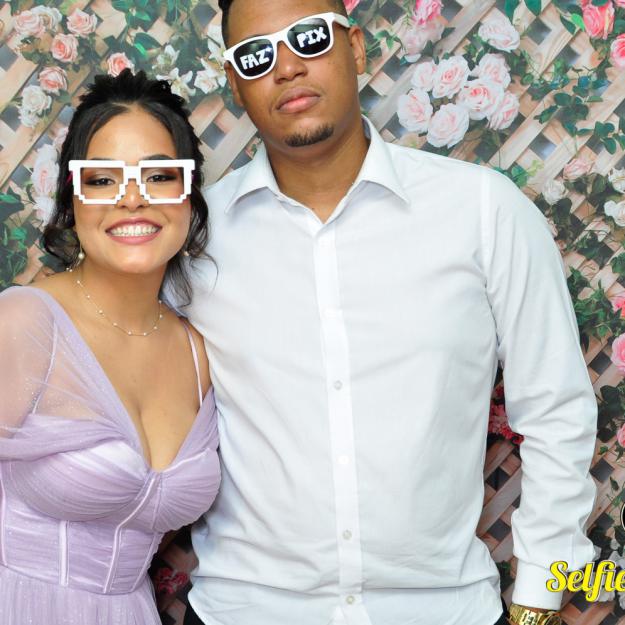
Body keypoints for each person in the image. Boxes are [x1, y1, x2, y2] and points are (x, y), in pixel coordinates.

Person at [182, 1, 597, 625]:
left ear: (355, 48)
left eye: (309, 37)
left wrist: (537, 603)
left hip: (443, 611)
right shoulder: (195, 241)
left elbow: (557, 408)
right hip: (244, 611)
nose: (286, 67)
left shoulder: (482, 211)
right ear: (236, 85)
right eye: (256, 55)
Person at [0, 69, 220, 625]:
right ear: (72, 199)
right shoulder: (25, 324)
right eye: (102, 179)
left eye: (159, 176)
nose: (132, 199)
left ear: (189, 195)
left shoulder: (199, 352)